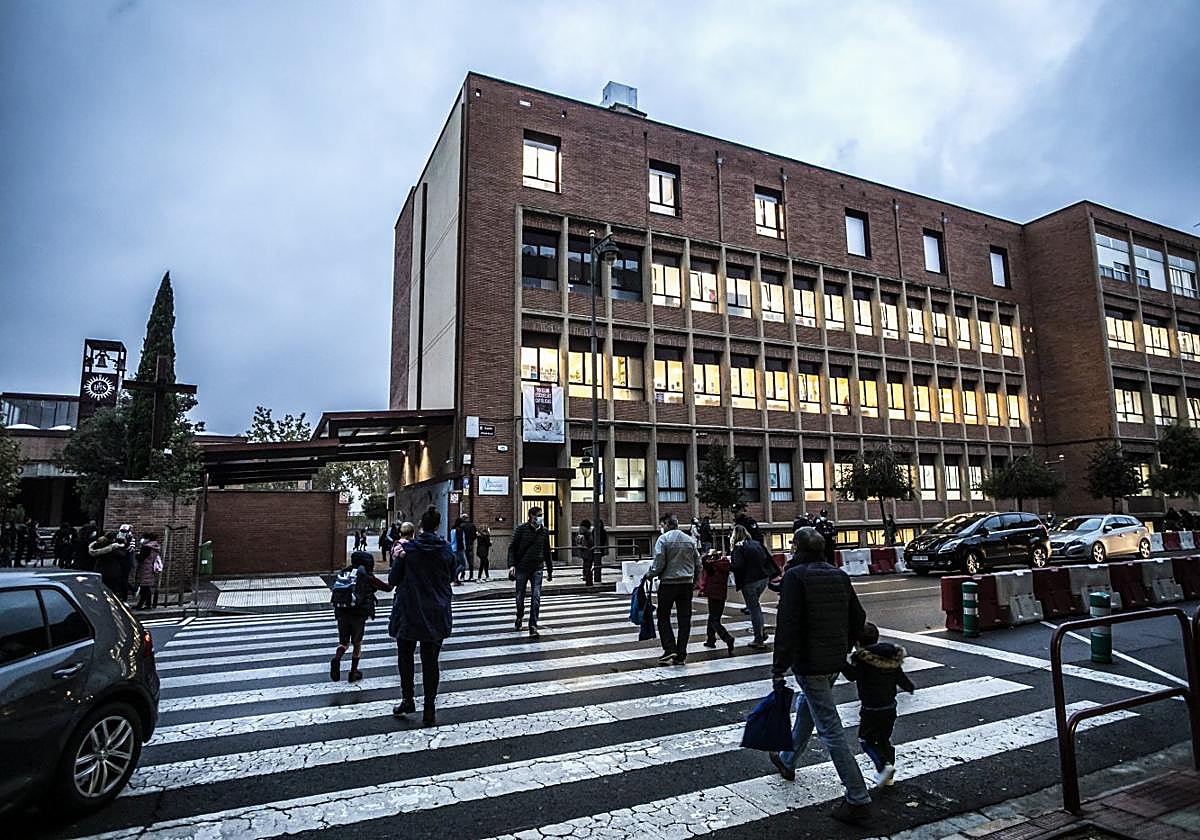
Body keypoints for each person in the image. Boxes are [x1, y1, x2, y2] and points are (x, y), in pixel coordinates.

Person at [768, 526, 871, 826]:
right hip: (833, 661)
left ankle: (857, 797)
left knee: (830, 729)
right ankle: (787, 760)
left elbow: (788, 625)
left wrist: (778, 667)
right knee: (809, 709)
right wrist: (845, 646)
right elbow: (859, 617)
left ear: (798, 548)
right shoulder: (838, 574)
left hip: (810, 663)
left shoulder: (795, 577)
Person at [389, 506, 455, 727]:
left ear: (420, 526)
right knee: (431, 662)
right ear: (437, 526)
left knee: (405, 657)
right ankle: (429, 707)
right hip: (436, 612)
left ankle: (407, 699)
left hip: (409, 611)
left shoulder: (409, 550)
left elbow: (393, 579)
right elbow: (452, 575)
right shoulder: (446, 550)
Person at [841, 622, 915, 788]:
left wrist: (841, 662)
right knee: (884, 740)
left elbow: (852, 676)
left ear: (857, 642)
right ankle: (888, 775)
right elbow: (901, 678)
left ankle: (883, 767)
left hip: (870, 708)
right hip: (890, 707)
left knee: (865, 740)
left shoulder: (861, 660)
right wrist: (909, 687)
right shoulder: (890, 656)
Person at [330, 550, 393, 683]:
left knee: (344, 643)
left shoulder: (344, 573)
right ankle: (353, 672)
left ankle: (337, 658)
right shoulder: (366, 576)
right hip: (358, 615)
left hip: (342, 612)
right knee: (357, 643)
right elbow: (387, 588)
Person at [646, 513, 701, 665]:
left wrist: (650, 574)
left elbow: (659, 562)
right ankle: (681, 653)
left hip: (669, 583)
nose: (661, 528)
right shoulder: (689, 540)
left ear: (666, 524)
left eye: (662, 525)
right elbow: (698, 563)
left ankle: (670, 647)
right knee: (685, 619)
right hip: (686, 584)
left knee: (663, 615)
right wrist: (695, 580)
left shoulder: (663, 539)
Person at [508, 507, 553, 637]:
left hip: (537, 568)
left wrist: (550, 571)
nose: (540, 517)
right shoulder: (521, 529)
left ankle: (533, 627)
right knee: (519, 596)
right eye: (538, 515)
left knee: (536, 597)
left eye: (541, 515)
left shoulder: (544, 531)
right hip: (522, 568)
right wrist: (511, 565)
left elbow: (547, 551)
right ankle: (519, 615)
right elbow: (512, 548)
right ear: (531, 516)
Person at [729, 524, 772, 649]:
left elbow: (738, 565)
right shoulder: (756, 543)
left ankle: (759, 638)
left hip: (750, 581)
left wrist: (728, 566)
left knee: (754, 608)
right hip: (763, 578)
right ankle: (761, 632)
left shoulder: (738, 547)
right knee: (755, 606)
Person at [699, 549, 735, 654]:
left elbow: (703, 561)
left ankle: (727, 638)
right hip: (722, 594)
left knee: (714, 619)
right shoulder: (725, 565)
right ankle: (710, 639)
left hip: (713, 594)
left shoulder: (712, 566)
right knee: (714, 617)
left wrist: (706, 555)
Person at [132, 533, 162, 610]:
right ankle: (148, 604)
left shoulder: (147, 547)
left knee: (144, 587)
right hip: (150, 567)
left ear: (148, 539)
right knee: (147, 587)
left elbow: (141, 558)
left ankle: (141, 604)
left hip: (145, 568)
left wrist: (136, 554)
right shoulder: (155, 547)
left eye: (144, 538)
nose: (143, 540)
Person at [576, 519, 597, 586]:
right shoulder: (587, 533)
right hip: (588, 551)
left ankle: (586, 577)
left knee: (586, 565)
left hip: (584, 552)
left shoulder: (581, 532)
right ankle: (588, 579)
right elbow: (591, 542)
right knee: (588, 565)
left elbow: (577, 541)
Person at [461, 515, 478, 581]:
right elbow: (475, 535)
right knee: (470, 560)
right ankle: (471, 576)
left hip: (463, 544)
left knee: (463, 561)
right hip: (470, 544)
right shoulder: (472, 525)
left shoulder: (462, 526)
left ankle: (462, 576)